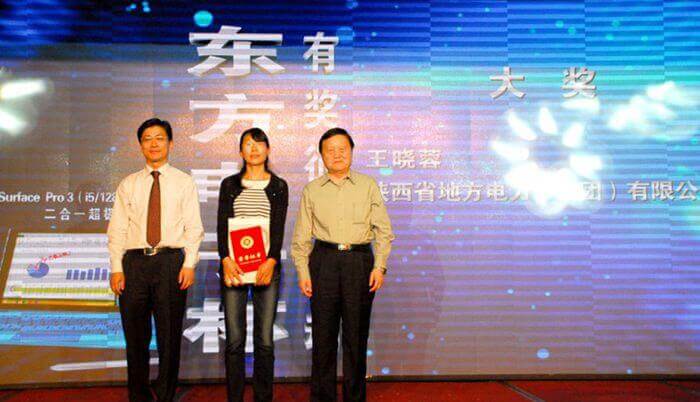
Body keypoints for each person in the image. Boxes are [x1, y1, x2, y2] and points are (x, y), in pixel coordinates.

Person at [291, 127, 394, 402]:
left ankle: (354, 397)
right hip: (323, 261)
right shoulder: (312, 190)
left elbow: (384, 231)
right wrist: (303, 271)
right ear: (322, 155)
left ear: (351, 152)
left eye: (342, 149)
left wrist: (379, 266)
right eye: (330, 150)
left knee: (355, 337)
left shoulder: (368, 185)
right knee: (323, 337)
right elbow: (301, 237)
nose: (337, 155)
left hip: (359, 262)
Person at [107, 118, 204, 402]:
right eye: (147, 138)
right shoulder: (129, 184)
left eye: (159, 138)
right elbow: (117, 229)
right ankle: (138, 395)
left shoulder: (184, 182)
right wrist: (116, 267)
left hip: (170, 263)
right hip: (134, 264)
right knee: (135, 337)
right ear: (140, 146)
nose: (153, 144)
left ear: (170, 143)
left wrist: (189, 263)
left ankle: (165, 395)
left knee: (169, 336)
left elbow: (194, 227)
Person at [217, 128, 289, 402]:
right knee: (235, 339)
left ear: (268, 150)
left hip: (266, 268)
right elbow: (222, 226)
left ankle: (263, 397)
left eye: (259, 144)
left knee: (265, 339)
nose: (254, 149)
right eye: (248, 144)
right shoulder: (229, 185)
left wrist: (271, 261)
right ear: (241, 151)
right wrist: (226, 260)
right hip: (234, 268)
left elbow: (278, 228)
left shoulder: (278, 186)